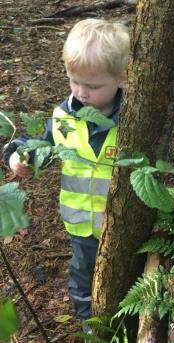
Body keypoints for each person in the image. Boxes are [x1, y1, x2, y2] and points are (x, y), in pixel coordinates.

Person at [3, 18, 130, 327]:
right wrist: (20, 156)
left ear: (122, 78)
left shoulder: (133, 119)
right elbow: (42, 145)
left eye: (93, 86)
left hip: (123, 223)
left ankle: (128, 320)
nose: (81, 92)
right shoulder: (64, 116)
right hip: (81, 223)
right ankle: (89, 322)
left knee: (126, 274)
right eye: (74, 81)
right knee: (83, 274)